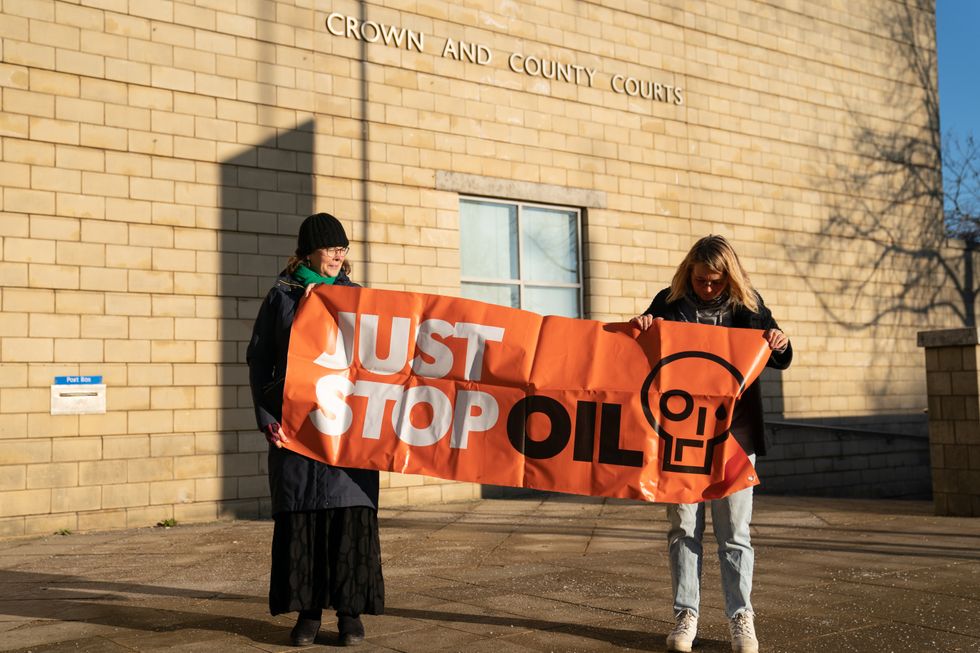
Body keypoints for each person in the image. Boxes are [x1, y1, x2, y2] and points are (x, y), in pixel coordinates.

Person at [630, 235, 792, 653]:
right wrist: (643, 325)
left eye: (715, 282)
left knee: (735, 531)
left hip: (734, 435)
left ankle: (741, 617)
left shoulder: (749, 305)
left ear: (729, 277)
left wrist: (781, 342)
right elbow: (637, 347)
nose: (706, 288)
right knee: (683, 527)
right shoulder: (669, 301)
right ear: (690, 272)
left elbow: (779, 355)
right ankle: (686, 615)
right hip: (679, 436)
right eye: (701, 280)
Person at [247, 212, 384, 647]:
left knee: (348, 517)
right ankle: (307, 615)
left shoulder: (359, 298)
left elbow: (380, 361)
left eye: (343, 248)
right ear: (308, 251)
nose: (339, 254)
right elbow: (259, 360)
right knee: (304, 518)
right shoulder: (282, 296)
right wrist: (268, 419)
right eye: (331, 247)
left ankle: (349, 614)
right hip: (297, 432)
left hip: (347, 432)